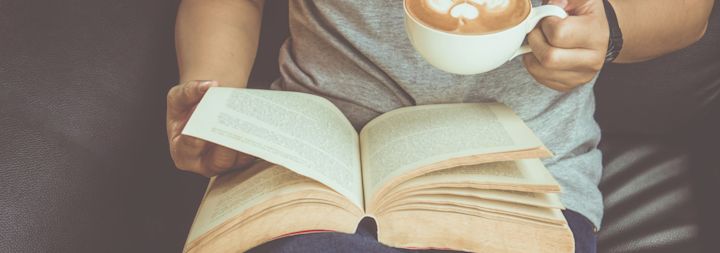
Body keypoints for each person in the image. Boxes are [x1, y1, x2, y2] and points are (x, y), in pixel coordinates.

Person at [166, 0, 714, 252]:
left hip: (526, 166)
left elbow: (690, 10)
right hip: (309, 150)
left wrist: (611, 27)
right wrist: (215, 104)